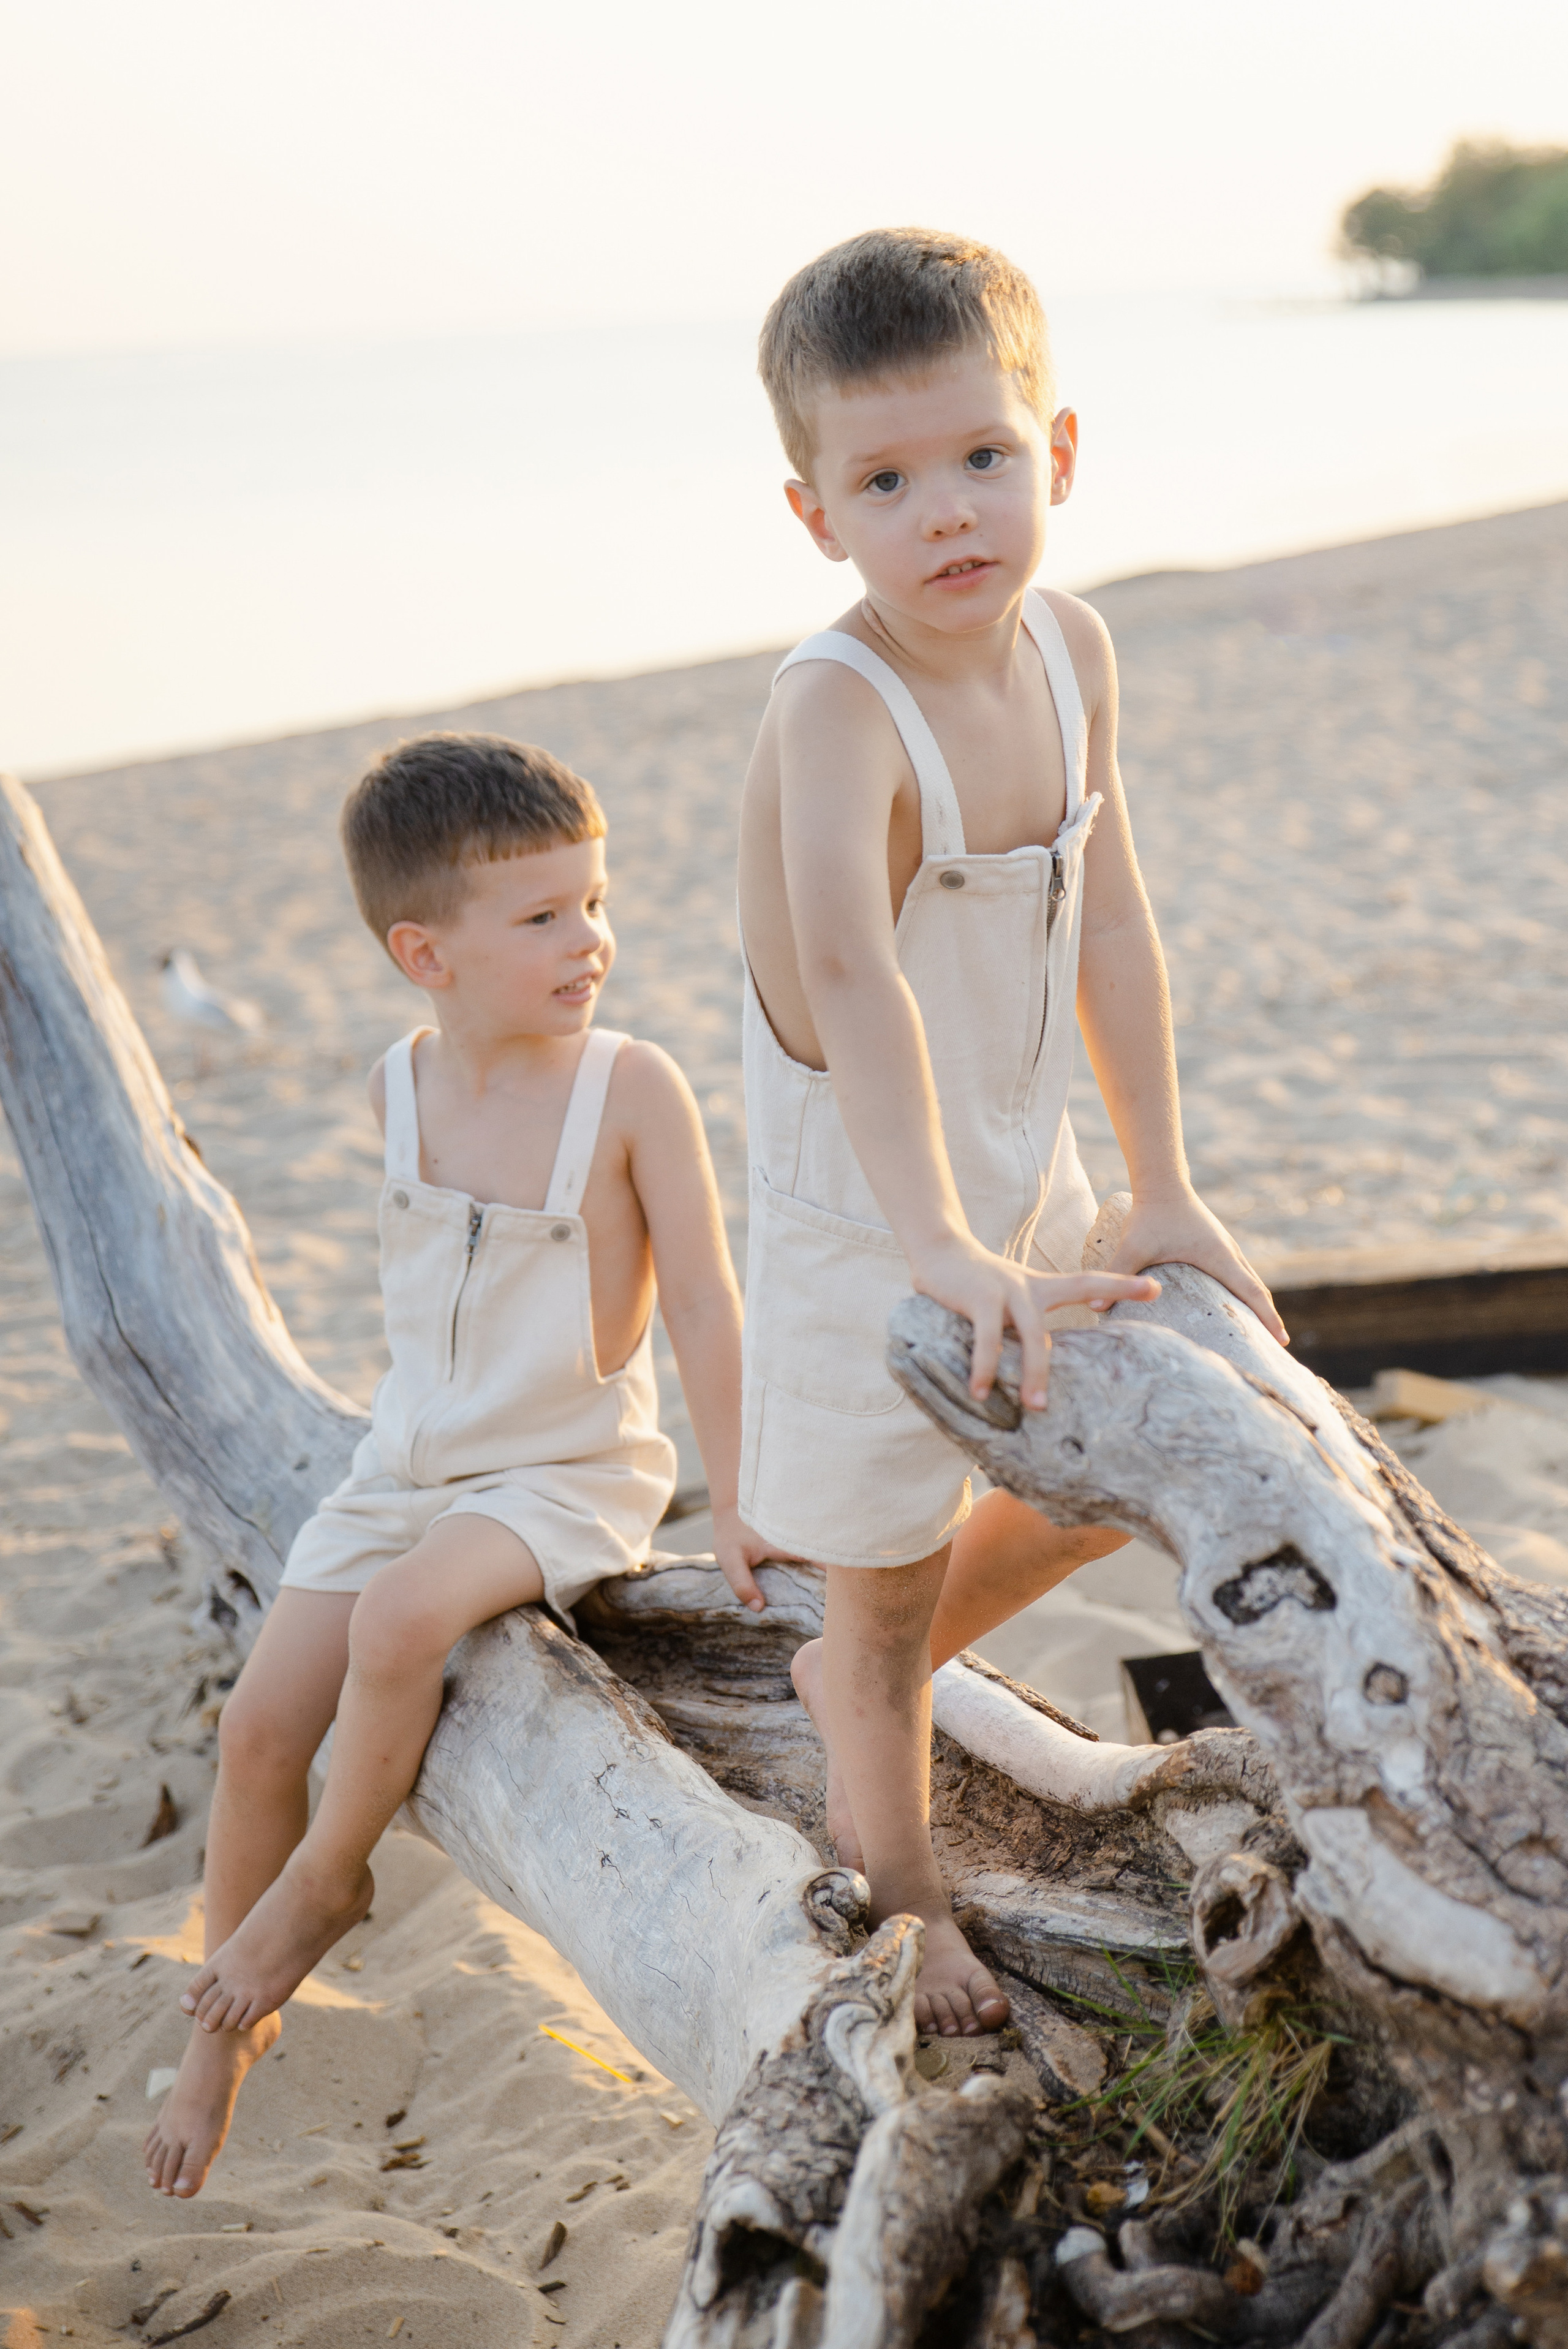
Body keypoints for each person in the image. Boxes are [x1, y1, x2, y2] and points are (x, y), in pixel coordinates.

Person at [737, 229, 1286, 2040]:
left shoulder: (1070, 648)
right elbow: (852, 974)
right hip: (863, 1209)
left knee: (1081, 1488)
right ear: (818, 514)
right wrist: (940, 1252)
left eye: (981, 457)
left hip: (1013, 1154)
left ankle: (847, 1686)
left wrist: (1157, 1183)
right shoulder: (839, 708)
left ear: (1057, 452)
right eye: (886, 481)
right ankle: (904, 1905)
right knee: (887, 1592)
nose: (946, 512)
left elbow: (1112, 921)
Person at [145, 732, 772, 2197]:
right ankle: (212, 2050)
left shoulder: (630, 1091)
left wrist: (738, 1500)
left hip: (563, 1473)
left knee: (403, 1621)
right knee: (253, 1733)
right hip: (406, 1464)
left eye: (595, 901)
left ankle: (325, 1885)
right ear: (423, 952)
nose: (591, 940)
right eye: (544, 916)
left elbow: (702, 1304)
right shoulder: (397, 1089)